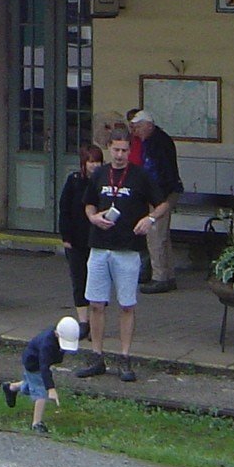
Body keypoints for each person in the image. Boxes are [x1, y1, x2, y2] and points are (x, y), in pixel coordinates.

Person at [76, 129, 166, 384]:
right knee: (96, 303)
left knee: (126, 305)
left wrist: (149, 219)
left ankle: (125, 357)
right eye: (115, 150)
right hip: (100, 247)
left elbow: (162, 203)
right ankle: (96, 355)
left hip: (127, 249)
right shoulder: (100, 173)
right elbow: (89, 202)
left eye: (124, 150)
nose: (119, 155)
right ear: (109, 149)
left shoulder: (140, 176)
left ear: (130, 150)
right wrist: (93, 217)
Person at [127, 109, 184, 293]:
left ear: (148, 125)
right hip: (164, 192)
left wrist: (156, 196)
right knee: (162, 237)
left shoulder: (156, 143)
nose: (135, 132)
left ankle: (160, 277)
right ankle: (168, 275)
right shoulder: (157, 140)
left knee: (156, 237)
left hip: (161, 194)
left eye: (138, 127)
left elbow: (159, 173)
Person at [1, 315, 81, 435]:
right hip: (34, 365)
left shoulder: (58, 335)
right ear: (57, 334)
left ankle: (11, 388)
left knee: (32, 384)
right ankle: (36, 423)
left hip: (38, 363)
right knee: (41, 392)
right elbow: (44, 368)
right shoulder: (47, 345)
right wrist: (51, 388)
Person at [58, 144, 103, 339]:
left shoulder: (104, 182)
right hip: (76, 239)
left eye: (98, 162)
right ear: (83, 163)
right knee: (79, 279)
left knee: (98, 281)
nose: (95, 166)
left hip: (97, 240)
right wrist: (66, 237)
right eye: (91, 162)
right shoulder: (74, 181)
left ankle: (96, 323)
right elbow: (64, 210)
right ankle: (83, 321)